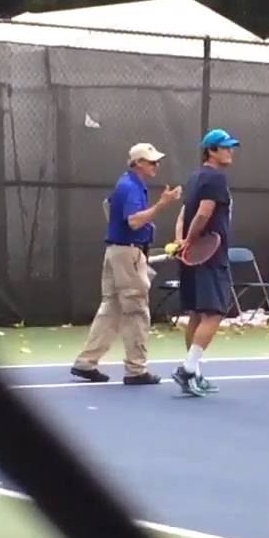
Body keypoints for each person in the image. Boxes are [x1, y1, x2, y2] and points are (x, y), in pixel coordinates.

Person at [71, 142, 181, 385]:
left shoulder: (127, 184)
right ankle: (136, 369)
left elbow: (110, 209)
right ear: (138, 163)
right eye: (152, 161)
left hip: (117, 252)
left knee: (111, 308)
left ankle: (85, 363)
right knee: (137, 310)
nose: (156, 165)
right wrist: (162, 204)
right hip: (127, 254)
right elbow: (133, 221)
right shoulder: (130, 187)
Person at [171, 128, 239, 397]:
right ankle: (187, 370)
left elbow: (183, 214)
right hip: (210, 256)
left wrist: (181, 242)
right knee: (214, 312)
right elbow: (202, 213)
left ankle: (194, 374)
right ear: (211, 151)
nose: (230, 151)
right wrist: (189, 241)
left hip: (195, 255)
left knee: (198, 314)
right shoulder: (215, 178)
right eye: (225, 147)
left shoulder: (195, 177)